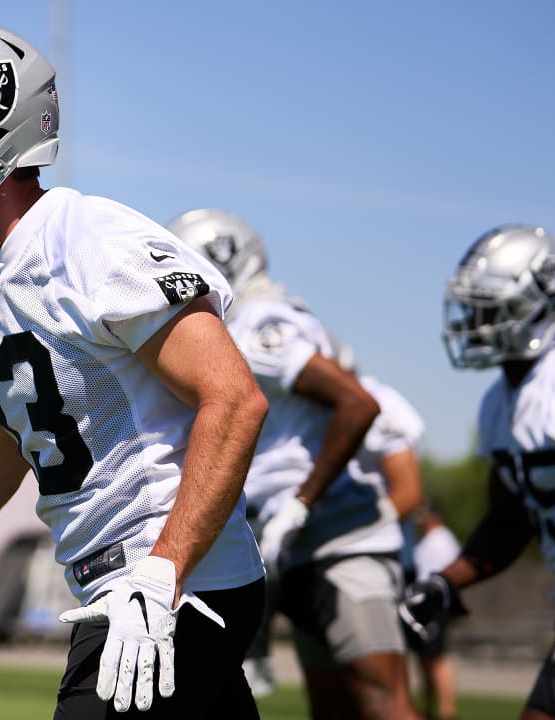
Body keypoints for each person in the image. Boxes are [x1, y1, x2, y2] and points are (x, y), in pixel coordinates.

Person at [0, 22, 269, 718]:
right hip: (125, 587)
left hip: (175, 586)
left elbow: (235, 398)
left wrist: (162, 573)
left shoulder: (91, 242)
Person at [169, 208, 420, 719]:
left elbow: (357, 402)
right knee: (332, 708)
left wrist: (300, 503)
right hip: (298, 547)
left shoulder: (261, 323)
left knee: (383, 703)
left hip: (342, 540)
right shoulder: (240, 323)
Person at [402, 224, 555, 720]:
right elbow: (510, 520)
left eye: (488, 305)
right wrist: (444, 584)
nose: (473, 319)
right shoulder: (500, 404)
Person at [408, 500, 462, 720]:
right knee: (426, 660)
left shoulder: (441, 540)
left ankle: (446, 712)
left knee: (437, 659)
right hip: (423, 606)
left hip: (434, 605)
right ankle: (429, 711)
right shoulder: (429, 541)